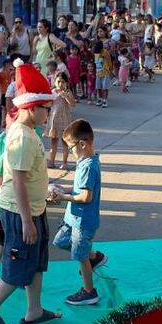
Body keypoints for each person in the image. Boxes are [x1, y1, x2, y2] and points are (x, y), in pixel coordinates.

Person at [0, 60, 61, 324]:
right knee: (17, 265)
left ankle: (34, 310)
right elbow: (19, 180)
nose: (49, 113)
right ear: (32, 108)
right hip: (19, 212)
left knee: (35, 262)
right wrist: (26, 221)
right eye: (47, 108)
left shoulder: (29, 132)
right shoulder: (22, 136)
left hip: (34, 209)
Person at [47, 119, 106, 306]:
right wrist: (63, 191)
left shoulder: (88, 166)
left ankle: (89, 291)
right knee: (61, 241)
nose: (70, 152)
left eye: (71, 147)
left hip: (83, 221)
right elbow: (80, 191)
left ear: (82, 144)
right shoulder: (85, 161)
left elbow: (86, 197)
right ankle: (94, 257)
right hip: (73, 218)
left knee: (80, 256)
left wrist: (63, 197)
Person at [46, 72, 75, 170]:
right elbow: (49, 104)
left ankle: (65, 162)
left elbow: (73, 104)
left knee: (65, 142)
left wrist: (66, 96)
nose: (60, 84)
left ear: (66, 83)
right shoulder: (53, 92)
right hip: (54, 119)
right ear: (55, 82)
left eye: (63, 82)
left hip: (65, 119)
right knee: (53, 142)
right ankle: (51, 161)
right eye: (58, 81)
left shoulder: (68, 92)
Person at [94, 41, 113, 108]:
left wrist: (111, 71)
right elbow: (95, 63)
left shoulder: (105, 52)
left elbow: (109, 61)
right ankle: (100, 99)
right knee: (98, 87)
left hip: (105, 72)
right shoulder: (95, 53)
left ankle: (105, 100)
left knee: (105, 88)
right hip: (98, 72)